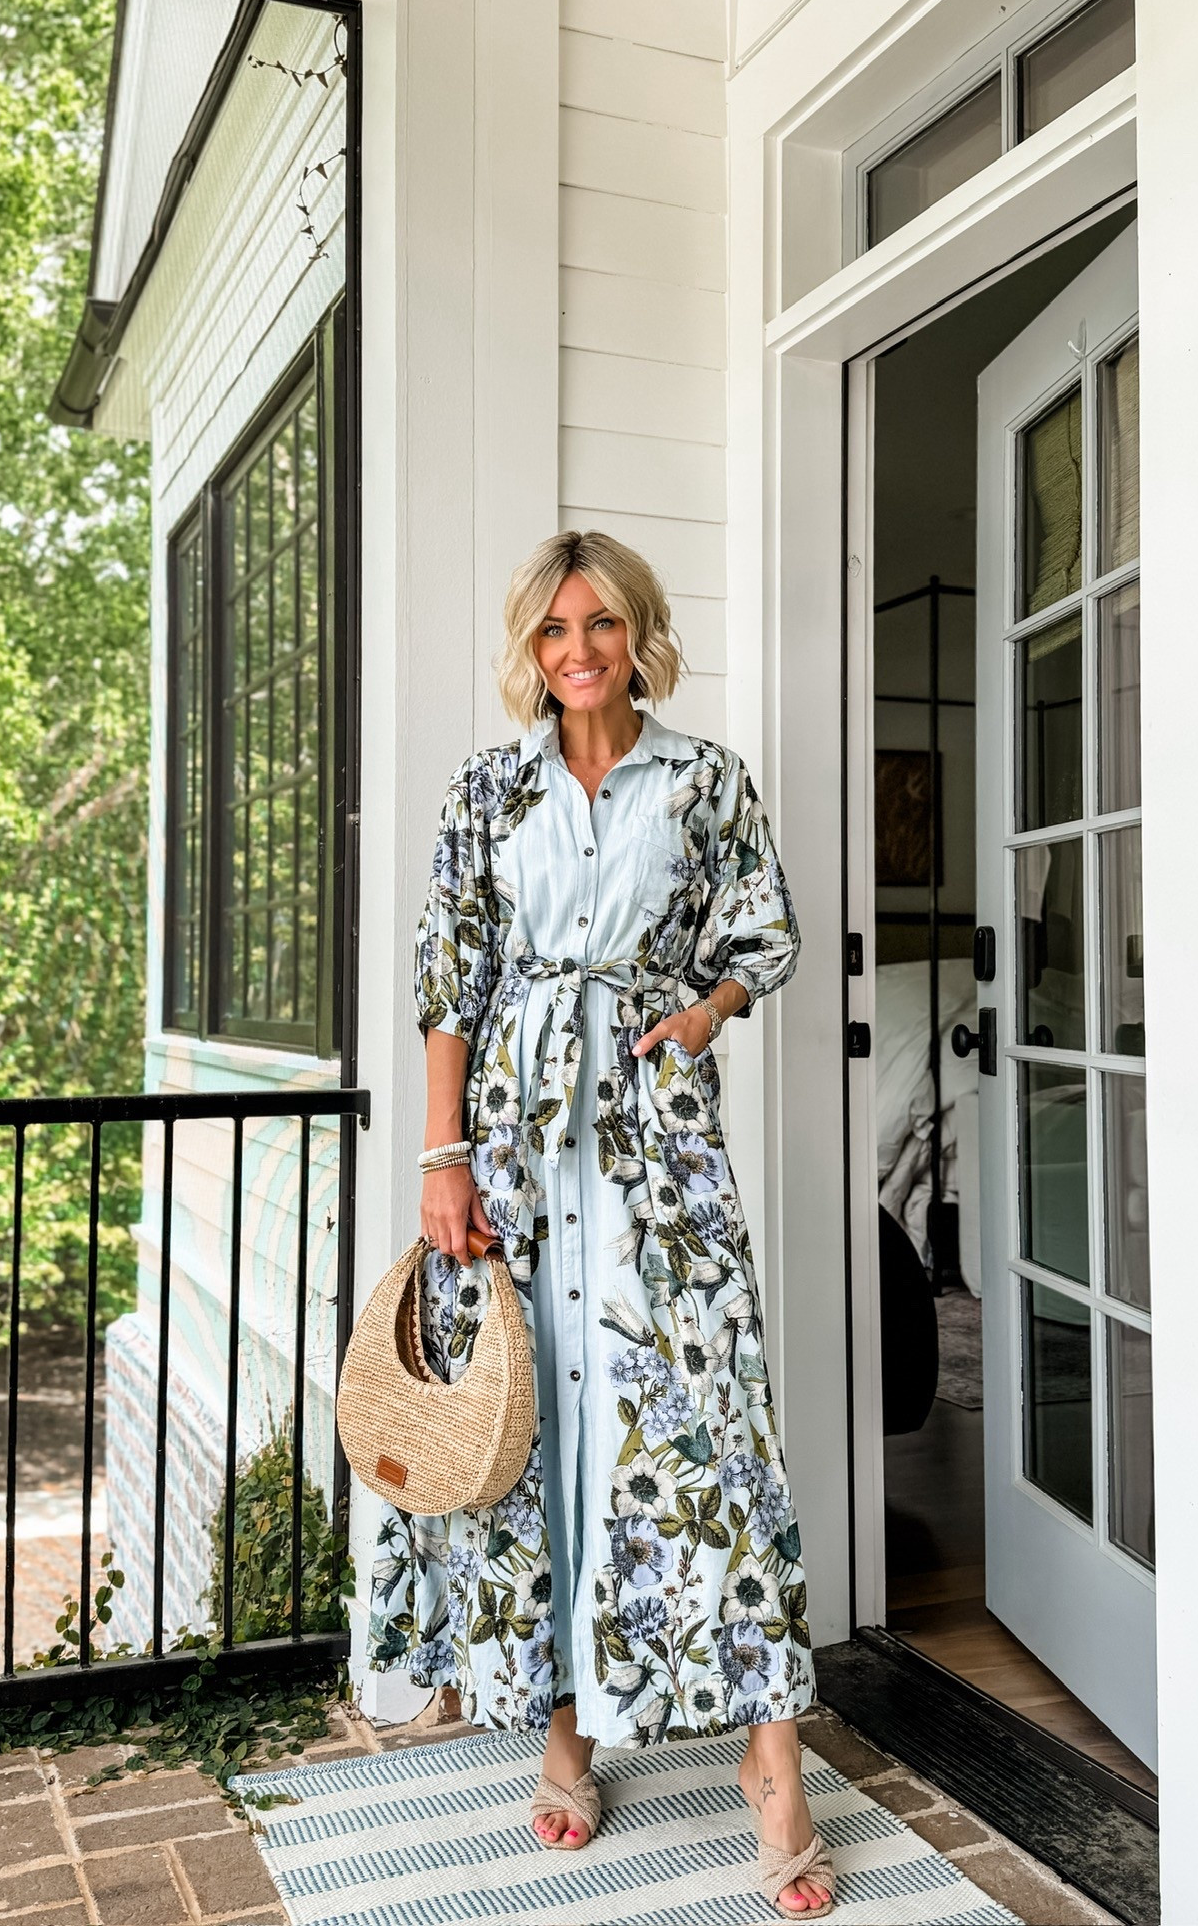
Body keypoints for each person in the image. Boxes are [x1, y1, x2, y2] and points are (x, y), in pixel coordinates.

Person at [367, 530, 834, 1916]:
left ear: (640, 634)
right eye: (554, 632)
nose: (578, 653)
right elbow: (450, 981)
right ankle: (562, 1729)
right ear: (532, 648)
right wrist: (444, 1156)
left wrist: (704, 1010)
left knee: (709, 1420)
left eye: (602, 627)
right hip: (511, 1146)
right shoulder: (488, 789)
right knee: (533, 1426)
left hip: (654, 1143)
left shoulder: (704, 782)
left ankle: (775, 1762)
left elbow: (760, 934)